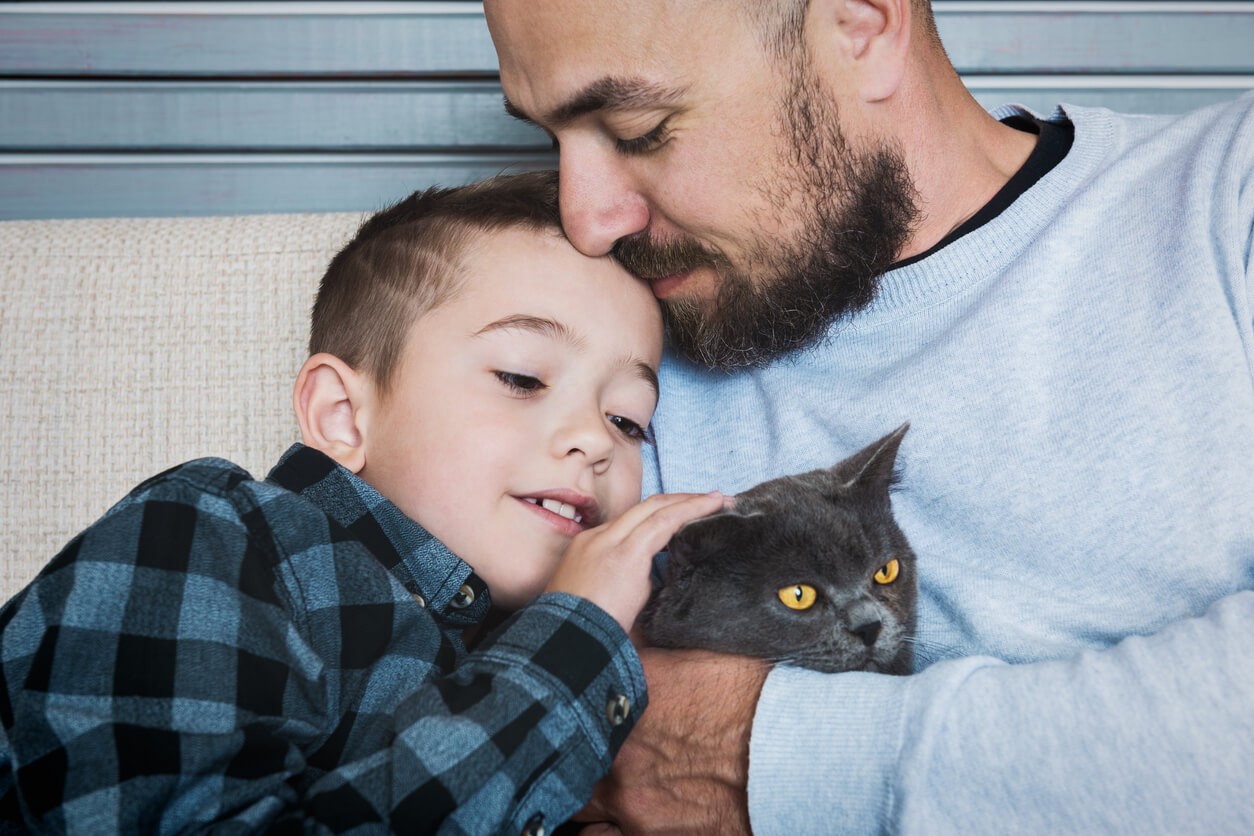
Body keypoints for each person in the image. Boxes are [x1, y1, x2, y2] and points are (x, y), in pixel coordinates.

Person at [483, 0, 1254, 832]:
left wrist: (765, 756)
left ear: (861, 25)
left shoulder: (1226, 195)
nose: (586, 222)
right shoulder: (589, 352)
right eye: (551, 138)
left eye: (639, 129)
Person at [0, 170, 725, 833]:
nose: (594, 442)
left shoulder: (529, 664)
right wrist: (576, 643)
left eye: (627, 420)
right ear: (344, 417)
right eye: (522, 377)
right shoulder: (208, 536)